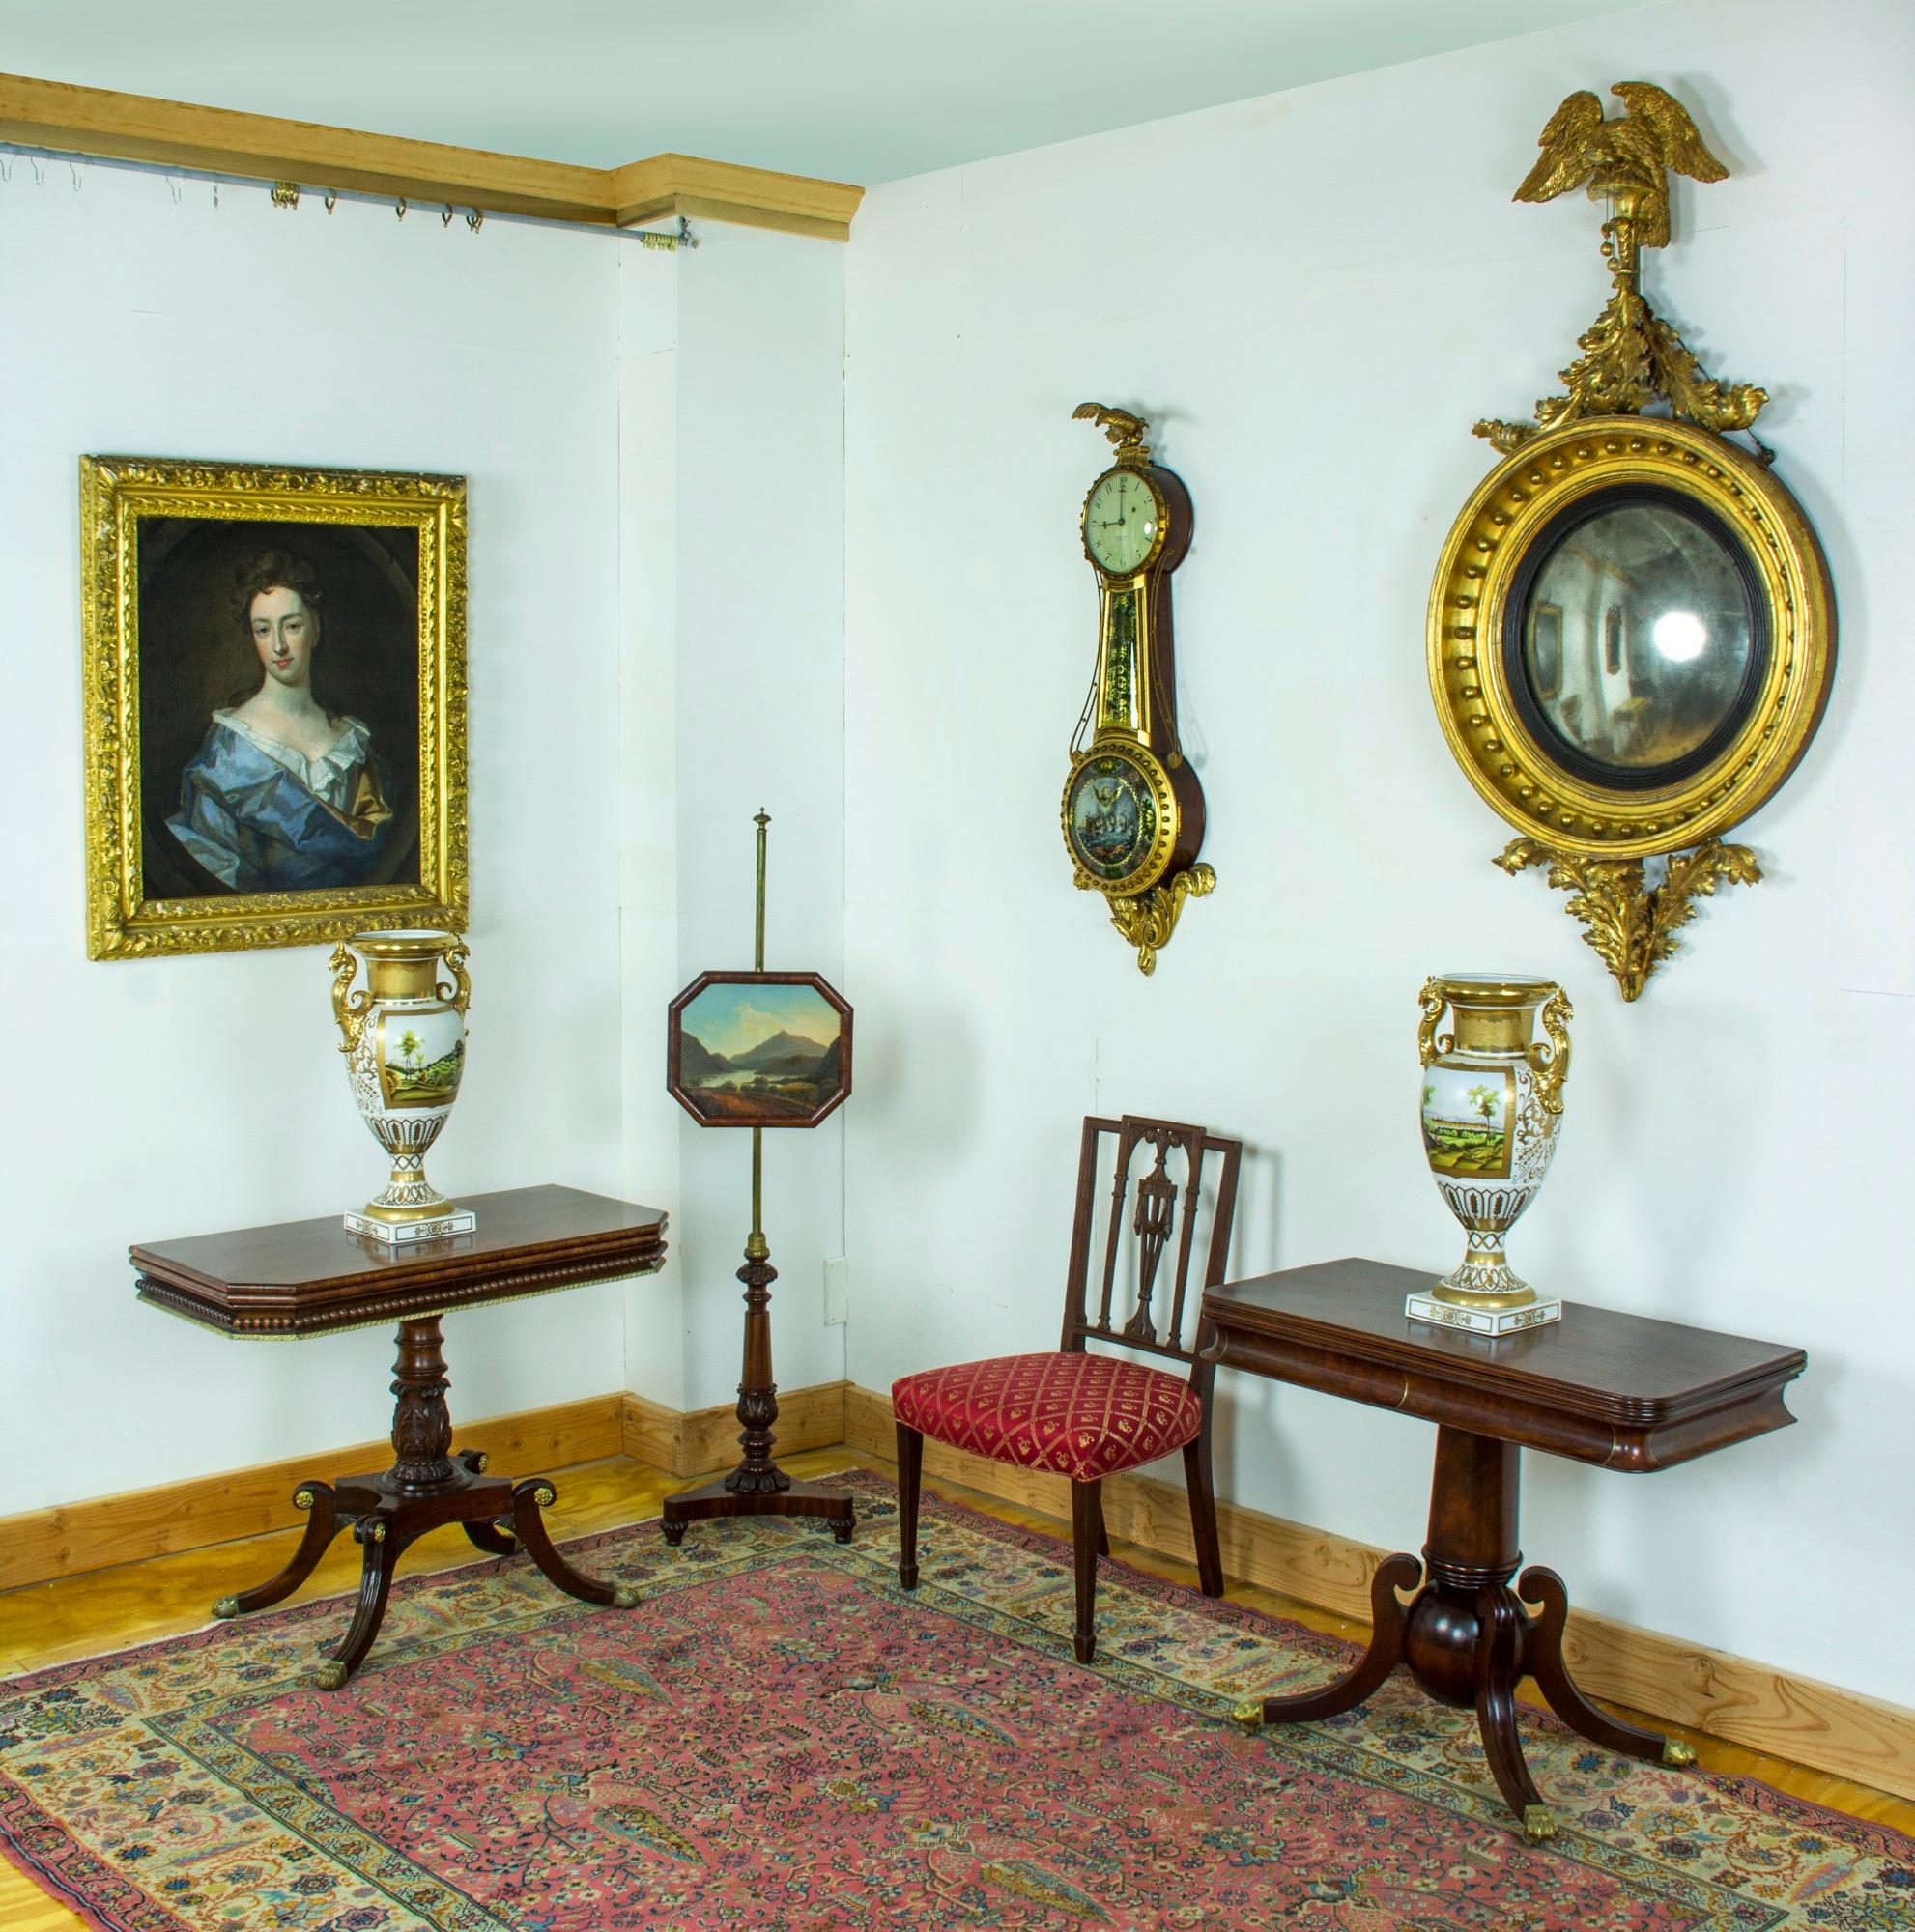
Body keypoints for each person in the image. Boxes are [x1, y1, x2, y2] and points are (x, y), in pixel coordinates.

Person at [167, 550, 398, 892]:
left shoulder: (352, 742)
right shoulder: (228, 748)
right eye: (263, 630)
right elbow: (219, 866)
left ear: (315, 630)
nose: (278, 646)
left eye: (291, 626)